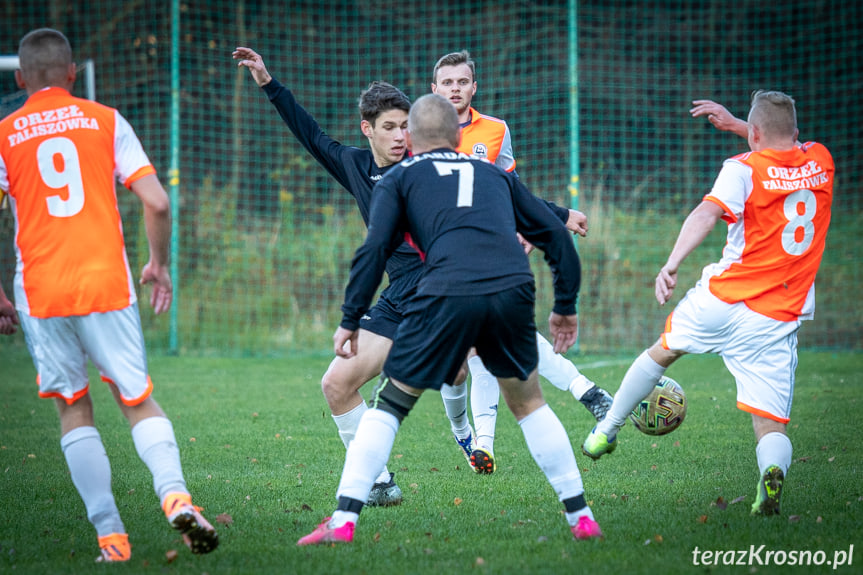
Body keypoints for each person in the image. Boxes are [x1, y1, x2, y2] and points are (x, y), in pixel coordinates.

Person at [297, 93, 603, 545]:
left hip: (444, 293)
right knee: (530, 404)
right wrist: (565, 307)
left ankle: (343, 521)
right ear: (460, 136)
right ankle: (581, 517)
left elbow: (374, 250)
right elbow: (555, 235)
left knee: (392, 406)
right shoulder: (495, 174)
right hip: (510, 290)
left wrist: (348, 318)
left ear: (413, 139)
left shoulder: (399, 178)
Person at [0, 28, 218, 562]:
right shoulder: (105, 120)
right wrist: (158, 264)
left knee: (74, 407)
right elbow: (158, 203)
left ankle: (112, 538)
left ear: (21, 78)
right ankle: (175, 496)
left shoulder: (3, 133)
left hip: (41, 290)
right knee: (136, 398)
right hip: (105, 281)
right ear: (74, 73)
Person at [582, 90, 834, 517]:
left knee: (662, 351)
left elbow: (705, 213)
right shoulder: (821, 161)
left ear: (753, 135)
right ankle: (771, 471)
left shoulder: (741, 169)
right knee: (770, 422)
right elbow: (785, 139)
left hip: (722, 299)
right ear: (793, 131)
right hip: (776, 315)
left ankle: (605, 430)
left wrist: (672, 263)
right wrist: (742, 124)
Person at [233, 46, 417, 507]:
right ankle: (379, 483)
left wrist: (547, 219)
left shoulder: (427, 166)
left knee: (503, 376)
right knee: (336, 385)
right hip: (399, 297)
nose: (400, 137)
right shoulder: (355, 165)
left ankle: (589, 405)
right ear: (367, 130)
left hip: (444, 293)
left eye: (405, 126)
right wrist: (268, 84)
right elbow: (310, 135)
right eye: (390, 127)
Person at [431, 50, 613, 473]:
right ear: (434, 89)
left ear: (474, 88)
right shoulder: (419, 132)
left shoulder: (495, 131)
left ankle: (485, 442)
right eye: (447, 82)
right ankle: (475, 435)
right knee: (462, 363)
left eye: (462, 82)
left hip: (491, 253)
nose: (455, 89)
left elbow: (513, 192)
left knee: (488, 342)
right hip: (439, 259)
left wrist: (555, 217)